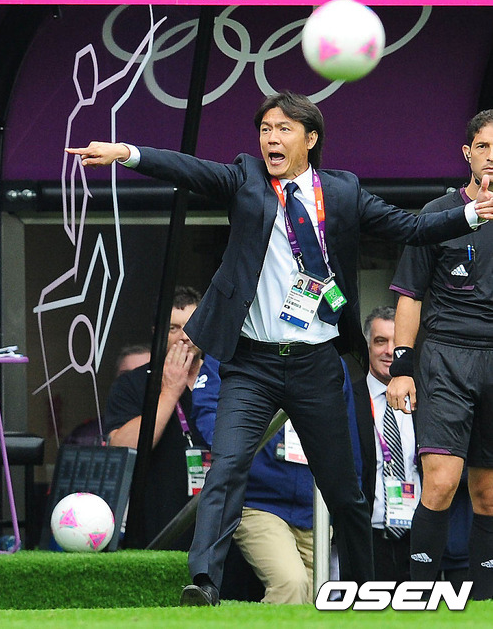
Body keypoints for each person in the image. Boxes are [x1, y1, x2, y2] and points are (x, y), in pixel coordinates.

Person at [67, 90, 493, 606]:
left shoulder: (342, 191)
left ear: (310, 139)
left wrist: (470, 216)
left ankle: (364, 590)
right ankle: (203, 582)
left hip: (316, 364)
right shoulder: (244, 178)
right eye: (266, 129)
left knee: (345, 492)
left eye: (284, 129)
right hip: (251, 364)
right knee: (226, 469)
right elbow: (189, 169)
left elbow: (411, 226)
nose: (271, 137)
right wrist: (127, 153)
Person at [387, 109, 493, 601]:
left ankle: (485, 606)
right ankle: (419, 599)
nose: (492, 157)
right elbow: (410, 295)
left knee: (488, 494)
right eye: (484, 146)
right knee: (441, 482)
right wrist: (402, 367)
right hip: (446, 358)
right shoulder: (438, 213)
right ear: (467, 153)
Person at [193, 356, 362, 604]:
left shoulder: (330, 358)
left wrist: (346, 505)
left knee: (316, 601)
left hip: (314, 509)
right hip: (258, 503)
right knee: (290, 584)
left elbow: (347, 441)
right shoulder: (236, 345)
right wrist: (244, 453)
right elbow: (208, 411)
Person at [104, 286, 220, 549]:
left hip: (222, 525)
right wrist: (169, 392)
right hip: (159, 524)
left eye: (193, 325)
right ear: (157, 333)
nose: (185, 336)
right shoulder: (133, 384)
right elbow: (122, 449)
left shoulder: (227, 379)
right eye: (173, 328)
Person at [353, 306, 420, 582]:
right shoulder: (349, 399)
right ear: (368, 346)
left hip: (418, 536)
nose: (390, 351)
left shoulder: (426, 399)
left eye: (397, 343)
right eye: (381, 341)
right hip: (368, 534)